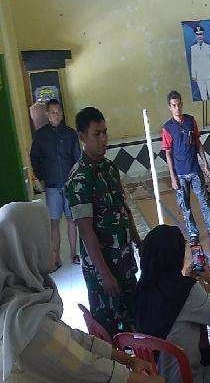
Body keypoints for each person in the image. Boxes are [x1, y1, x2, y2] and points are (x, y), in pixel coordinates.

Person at [0, 202, 162, 383]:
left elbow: (70, 336)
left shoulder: (19, 299)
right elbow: (86, 368)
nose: (54, 243)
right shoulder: (27, 325)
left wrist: (129, 360)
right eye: (47, 236)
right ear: (27, 247)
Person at [65, 107, 141, 335]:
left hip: (124, 262)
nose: (103, 139)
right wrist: (105, 274)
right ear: (82, 137)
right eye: (96, 134)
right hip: (103, 270)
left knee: (135, 319)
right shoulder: (79, 178)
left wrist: (138, 242)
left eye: (105, 132)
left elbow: (123, 210)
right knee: (109, 330)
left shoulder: (109, 168)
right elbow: (86, 231)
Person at [135, 225, 210, 383]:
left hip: (156, 376)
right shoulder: (186, 290)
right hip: (186, 379)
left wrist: (188, 280)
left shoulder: (142, 289)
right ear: (178, 257)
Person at [29, 98, 81, 268]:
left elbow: (78, 158)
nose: (57, 115)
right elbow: (34, 158)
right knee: (54, 222)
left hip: (70, 184)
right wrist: (41, 177)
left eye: (59, 112)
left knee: (72, 220)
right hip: (52, 186)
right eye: (53, 112)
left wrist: (76, 179)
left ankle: (73, 254)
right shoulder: (41, 136)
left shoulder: (70, 133)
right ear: (47, 114)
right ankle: (56, 257)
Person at [162, 91, 210, 245]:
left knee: (205, 201)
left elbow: (198, 143)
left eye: (179, 104)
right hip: (180, 175)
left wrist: (205, 163)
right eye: (174, 105)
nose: (177, 108)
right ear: (169, 107)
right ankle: (193, 233)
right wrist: (173, 177)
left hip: (195, 170)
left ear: (182, 104)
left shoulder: (191, 121)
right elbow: (168, 154)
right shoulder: (167, 128)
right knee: (185, 206)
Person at [190, 25, 210, 100]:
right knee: (203, 95)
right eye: (197, 34)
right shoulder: (193, 48)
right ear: (195, 36)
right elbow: (193, 62)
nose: (199, 36)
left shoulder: (208, 47)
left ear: (203, 35)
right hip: (199, 75)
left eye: (200, 34)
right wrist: (194, 75)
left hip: (208, 74)